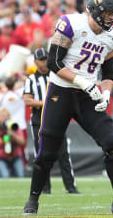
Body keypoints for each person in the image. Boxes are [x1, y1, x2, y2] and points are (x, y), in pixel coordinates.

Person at [22, 0, 113, 215]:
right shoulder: (70, 24)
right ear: (94, 11)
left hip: (88, 95)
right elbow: (54, 62)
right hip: (61, 92)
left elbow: (108, 72)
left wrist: (105, 93)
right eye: (107, 14)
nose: (111, 19)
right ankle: (33, 201)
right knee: (46, 153)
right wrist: (83, 82)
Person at [23, 48, 79, 194]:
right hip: (39, 119)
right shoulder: (31, 80)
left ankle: (70, 187)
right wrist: (46, 103)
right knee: (42, 154)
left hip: (57, 118)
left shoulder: (56, 76)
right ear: (35, 62)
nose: (44, 62)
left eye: (45, 59)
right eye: (41, 59)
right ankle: (44, 187)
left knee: (64, 154)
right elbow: (27, 100)